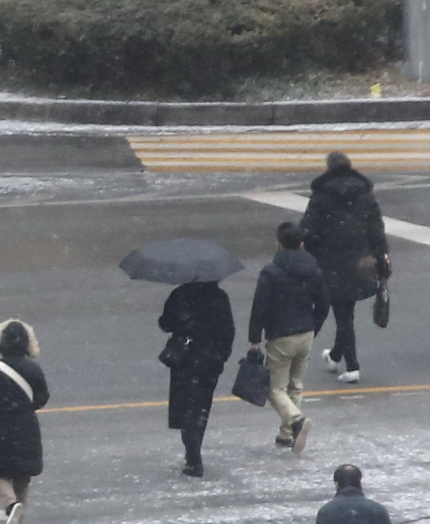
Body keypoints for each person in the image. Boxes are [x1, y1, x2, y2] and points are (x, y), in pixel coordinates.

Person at [301, 152, 391, 384]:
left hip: (330, 261)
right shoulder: (365, 194)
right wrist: (381, 255)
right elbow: (376, 229)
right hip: (360, 259)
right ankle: (334, 356)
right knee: (345, 309)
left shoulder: (322, 196)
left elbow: (309, 230)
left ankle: (352, 366)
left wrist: (308, 253)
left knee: (342, 313)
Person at [248, 222, 329, 455]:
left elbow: (260, 307)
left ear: (279, 244)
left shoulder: (271, 272)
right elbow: (323, 303)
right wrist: (314, 326)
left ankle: (296, 421)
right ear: (302, 244)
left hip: (281, 335)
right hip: (305, 333)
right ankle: (287, 434)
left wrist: (255, 338)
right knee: (295, 385)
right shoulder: (314, 269)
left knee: (275, 389)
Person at [0, 319, 48, 524]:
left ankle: (10, 503)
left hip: (0, 424)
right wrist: (26, 406)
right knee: (23, 472)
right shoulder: (33, 369)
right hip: (26, 424)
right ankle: (20, 517)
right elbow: (42, 396)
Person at [158, 281, 235, 477]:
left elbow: (165, 323)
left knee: (184, 406)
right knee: (201, 405)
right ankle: (194, 448)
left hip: (185, 358)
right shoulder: (220, 298)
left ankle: (192, 453)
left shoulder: (181, 294)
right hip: (210, 360)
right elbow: (228, 332)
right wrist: (222, 357)